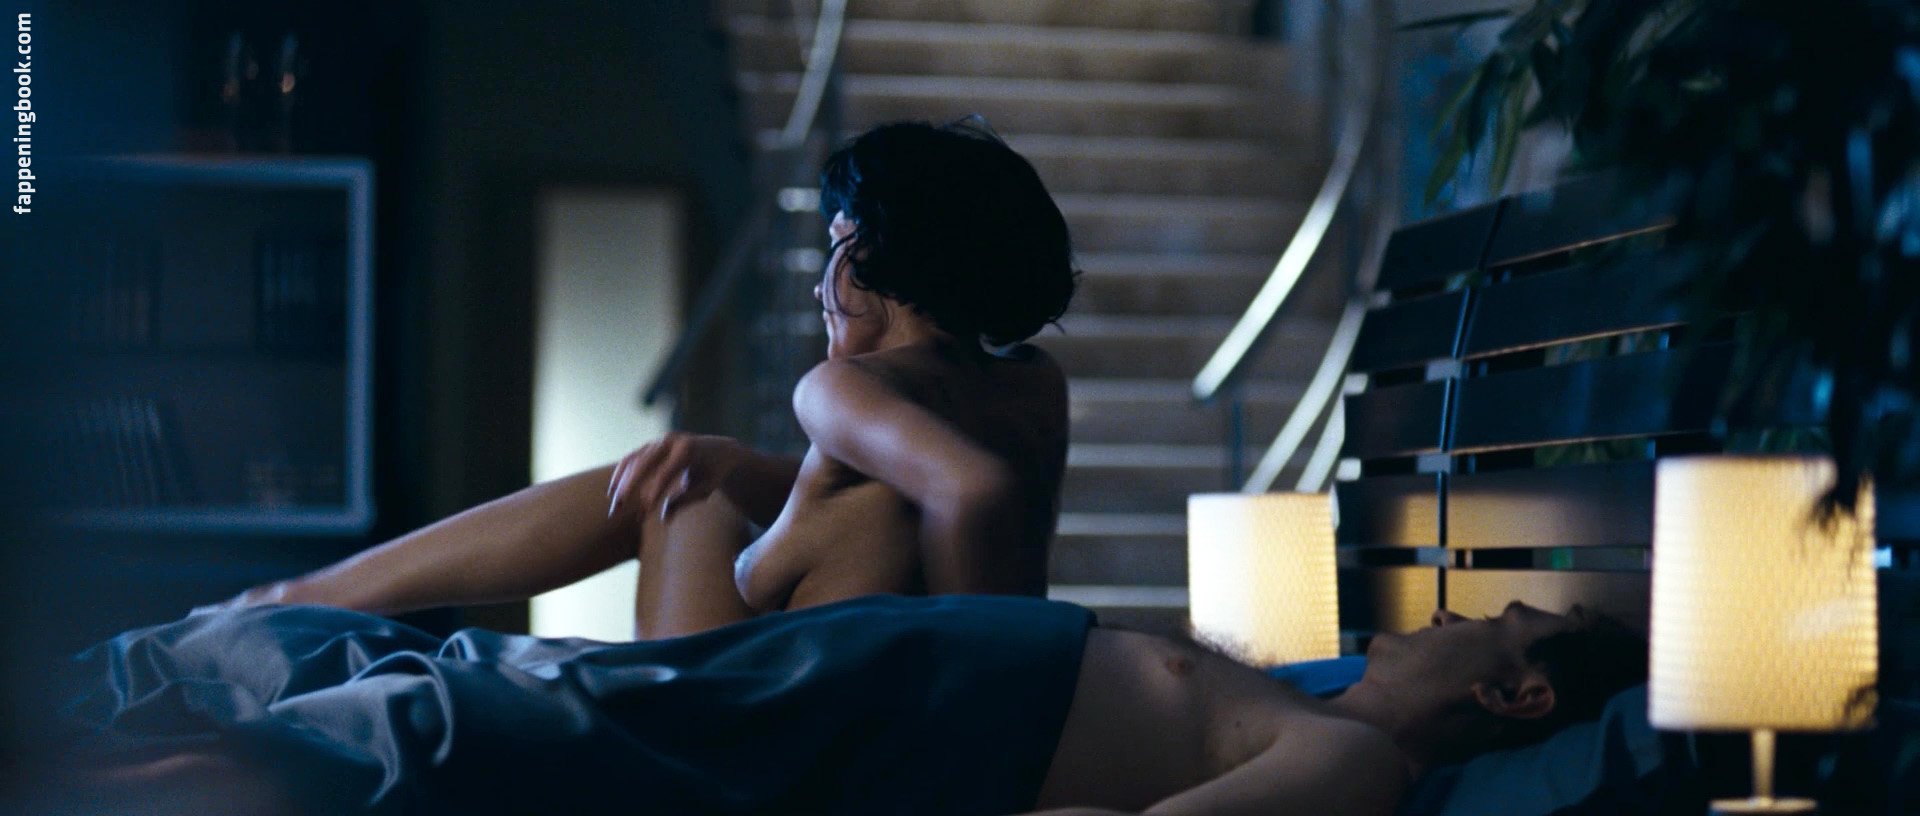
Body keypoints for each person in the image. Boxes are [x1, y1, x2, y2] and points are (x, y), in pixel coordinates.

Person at [201, 119, 1077, 638]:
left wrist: (975, 683)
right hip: (833, 692)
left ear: (876, 252)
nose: (819, 286)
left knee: (671, 497)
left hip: (759, 726)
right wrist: (739, 464)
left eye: (834, 244)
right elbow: (894, 498)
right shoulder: (1031, 386)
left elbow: (972, 489)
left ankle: (301, 599)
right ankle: (304, 599)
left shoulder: (841, 390)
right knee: (694, 474)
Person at [61, 597, 1648, 815]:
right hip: (833, 681)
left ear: (1514, 690)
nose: (1443, 611)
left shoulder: (1354, 764)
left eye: (1487, 623)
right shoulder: (1308, 689)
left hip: (864, 732)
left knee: (440, 731)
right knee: (401, 667)